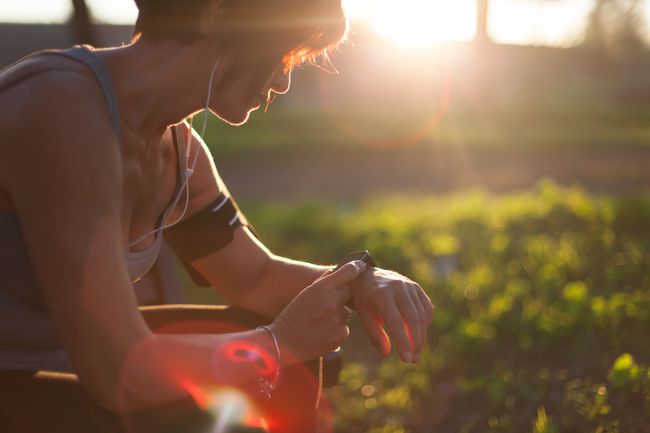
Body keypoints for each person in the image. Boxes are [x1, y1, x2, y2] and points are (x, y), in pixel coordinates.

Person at [0, 0, 434, 431]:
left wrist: (364, 278)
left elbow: (257, 278)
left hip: (47, 359)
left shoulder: (178, 156)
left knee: (259, 341)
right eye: (285, 53)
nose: (283, 80)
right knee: (202, 399)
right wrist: (279, 344)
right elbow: (115, 371)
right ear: (216, 15)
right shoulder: (61, 108)